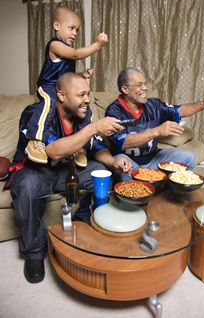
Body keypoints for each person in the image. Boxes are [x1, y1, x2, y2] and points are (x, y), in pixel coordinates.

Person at [10, 72, 131, 284]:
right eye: (81, 94)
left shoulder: (83, 115)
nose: (87, 99)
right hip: (36, 171)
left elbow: (95, 146)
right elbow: (53, 151)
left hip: (68, 169)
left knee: (102, 173)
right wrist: (95, 126)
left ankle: (82, 222)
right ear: (62, 95)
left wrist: (113, 163)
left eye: (88, 94)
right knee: (27, 186)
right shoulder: (38, 112)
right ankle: (34, 251)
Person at [25, 6, 108, 166]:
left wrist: (81, 76)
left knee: (82, 107)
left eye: (77, 30)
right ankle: (36, 141)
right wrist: (97, 45)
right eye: (71, 28)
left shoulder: (66, 49)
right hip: (48, 85)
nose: (75, 33)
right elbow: (76, 54)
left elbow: (66, 77)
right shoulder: (55, 45)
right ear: (56, 26)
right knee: (49, 102)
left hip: (62, 87)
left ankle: (80, 148)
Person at [105, 67, 204, 180]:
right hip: (129, 160)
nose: (145, 88)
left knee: (188, 158)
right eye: (139, 85)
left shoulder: (154, 105)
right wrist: (157, 131)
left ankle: (171, 193)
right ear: (125, 89)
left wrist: (203, 103)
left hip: (154, 158)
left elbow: (180, 110)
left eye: (145, 83)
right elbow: (122, 142)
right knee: (123, 168)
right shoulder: (114, 111)